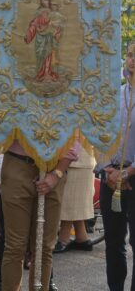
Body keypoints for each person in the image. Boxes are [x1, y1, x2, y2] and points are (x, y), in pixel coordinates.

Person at [0, 139, 78, 290]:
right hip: (18, 163)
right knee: (15, 246)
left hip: (55, 166)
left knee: (44, 247)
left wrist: (57, 173)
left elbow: (76, 130)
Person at [98, 42, 135, 291]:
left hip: (133, 176)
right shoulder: (113, 95)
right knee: (113, 241)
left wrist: (129, 172)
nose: (132, 60)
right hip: (111, 176)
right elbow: (98, 135)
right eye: (130, 55)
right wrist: (106, 169)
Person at [54, 147, 95, 253]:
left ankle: (64, 239)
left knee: (69, 201)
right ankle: (82, 238)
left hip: (75, 160)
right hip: (85, 158)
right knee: (76, 202)